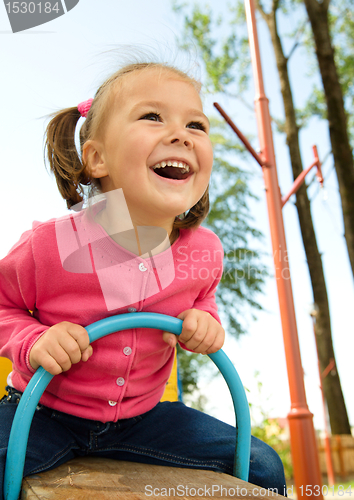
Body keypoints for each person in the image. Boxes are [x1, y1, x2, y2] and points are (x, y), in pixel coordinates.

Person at [0, 61, 286, 497]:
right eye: (153, 117)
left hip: (145, 419)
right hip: (43, 412)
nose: (181, 134)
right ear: (97, 158)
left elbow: (202, 298)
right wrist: (32, 341)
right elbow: (4, 305)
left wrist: (203, 320)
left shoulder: (204, 251)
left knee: (261, 464)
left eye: (196, 124)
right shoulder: (49, 246)